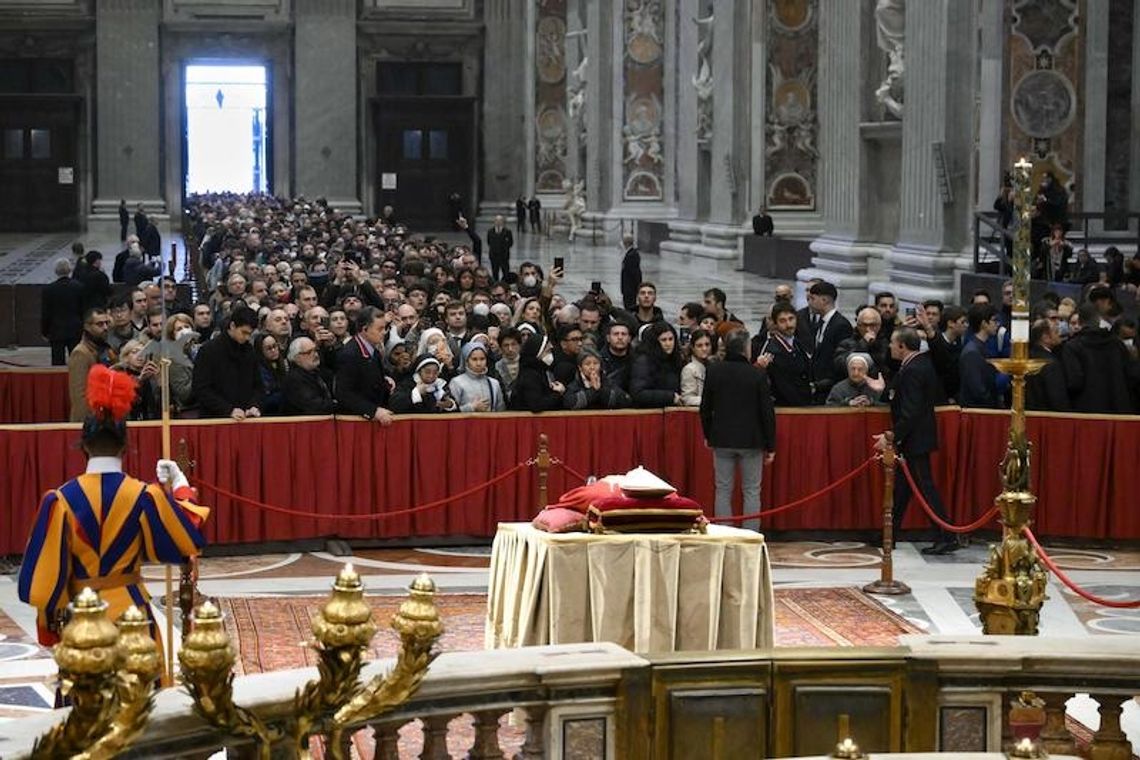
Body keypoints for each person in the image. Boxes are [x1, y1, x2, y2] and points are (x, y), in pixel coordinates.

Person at [18, 365, 208, 651]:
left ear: (83, 447)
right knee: (143, 693)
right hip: (134, 618)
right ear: (125, 446)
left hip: (81, 620)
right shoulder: (145, 495)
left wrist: (49, 630)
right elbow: (186, 540)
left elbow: (45, 584)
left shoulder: (59, 501)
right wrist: (180, 487)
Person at [875, 326, 958, 555]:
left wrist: (891, 436)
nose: (890, 346)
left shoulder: (913, 369)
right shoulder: (917, 364)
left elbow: (910, 411)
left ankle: (946, 535)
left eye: (892, 343)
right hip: (915, 438)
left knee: (924, 487)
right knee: (903, 488)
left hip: (916, 439)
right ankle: (889, 533)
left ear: (902, 346)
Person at [700, 329, 776, 532]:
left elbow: (705, 407)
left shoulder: (714, 370)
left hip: (721, 438)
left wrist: (707, 434)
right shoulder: (757, 374)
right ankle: (750, 535)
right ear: (746, 349)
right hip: (752, 440)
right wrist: (771, 445)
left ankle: (725, 533)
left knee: (723, 490)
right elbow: (766, 412)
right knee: (751, 490)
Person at [1062, 304, 1139, 414]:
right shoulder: (1117, 344)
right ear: (1099, 320)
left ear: (1080, 321)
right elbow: (1132, 376)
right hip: (1119, 409)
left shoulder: (1072, 347)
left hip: (1087, 412)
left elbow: (1075, 382)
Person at [190, 306, 263, 420]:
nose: (247, 337)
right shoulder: (209, 350)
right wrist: (228, 409)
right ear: (232, 326)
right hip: (215, 419)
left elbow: (258, 385)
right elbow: (201, 388)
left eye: (250, 333)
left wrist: (254, 405)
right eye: (244, 332)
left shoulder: (249, 351)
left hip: (246, 417)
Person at [335, 307, 396, 424]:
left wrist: (385, 381)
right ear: (365, 329)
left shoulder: (375, 351)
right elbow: (344, 394)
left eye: (385, 328)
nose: (384, 332)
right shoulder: (349, 354)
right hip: (355, 422)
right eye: (380, 329)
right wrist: (373, 411)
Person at [796, 280, 853, 402]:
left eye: (812, 298)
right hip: (818, 388)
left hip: (831, 389)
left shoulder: (840, 325)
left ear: (824, 300)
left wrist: (823, 384)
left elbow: (840, 361)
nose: (809, 302)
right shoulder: (820, 324)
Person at [757, 302, 813, 406]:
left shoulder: (798, 343)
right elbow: (782, 387)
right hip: (787, 409)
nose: (788, 325)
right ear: (775, 323)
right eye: (783, 321)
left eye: (791, 319)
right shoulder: (772, 351)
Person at [68, 308, 113, 421]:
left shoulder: (105, 349)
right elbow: (79, 396)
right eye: (100, 324)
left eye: (107, 323)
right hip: (90, 421)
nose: (105, 328)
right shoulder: (80, 353)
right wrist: (88, 424)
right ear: (87, 327)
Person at [42, 258, 87, 366]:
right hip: (75, 328)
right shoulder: (79, 287)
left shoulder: (49, 289)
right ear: (70, 270)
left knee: (57, 361)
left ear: (56, 271)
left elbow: (46, 313)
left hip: (56, 329)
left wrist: (44, 331)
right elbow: (83, 309)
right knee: (77, 360)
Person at [958, 303, 1003, 408]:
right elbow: (978, 391)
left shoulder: (980, 347)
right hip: (977, 414)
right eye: (994, 320)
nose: (997, 324)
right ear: (984, 323)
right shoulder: (972, 352)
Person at [630, 321, 683, 407]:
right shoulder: (643, 361)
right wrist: (670, 397)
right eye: (663, 340)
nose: (668, 344)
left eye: (671, 339)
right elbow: (638, 394)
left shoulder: (676, 359)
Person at [508, 333, 565, 412]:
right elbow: (536, 405)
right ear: (538, 353)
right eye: (548, 351)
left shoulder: (542, 370)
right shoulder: (530, 375)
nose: (551, 355)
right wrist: (558, 394)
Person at [563, 347, 631, 410]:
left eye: (595, 363)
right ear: (580, 368)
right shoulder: (575, 385)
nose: (592, 367)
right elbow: (570, 404)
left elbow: (626, 400)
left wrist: (601, 390)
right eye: (587, 364)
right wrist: (593, 391)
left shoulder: (607, 382)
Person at [283, 336, 336, 415]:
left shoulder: (318, 372)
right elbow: (313, 405)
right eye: (309, 352)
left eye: (315, 350)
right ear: (297, 358)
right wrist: (336, 404)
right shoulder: (294, 379)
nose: (315, 355)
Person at [448, 342, 505, 412]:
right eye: (474, 359)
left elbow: (501, 411)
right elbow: (452, 412)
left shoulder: (494, 383)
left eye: (482, 359)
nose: (479, 363)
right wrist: (471, 407)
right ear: (466, 361)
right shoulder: (456, 382)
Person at [390, 355, 457, 413]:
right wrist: (416, 392)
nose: (431, 376)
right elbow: (394, 405)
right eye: (427, 372)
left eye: (435, 372)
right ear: (419, 371)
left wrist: (449, 405)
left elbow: (456, 407)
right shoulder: (408, 384)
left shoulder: (441, 385)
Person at [680, 328, 714, 406]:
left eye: (707, 344)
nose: (704, 349)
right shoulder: (689, 369)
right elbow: (687, 399)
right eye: (699, 346)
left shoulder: (713, 365)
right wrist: (712, 400)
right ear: (692, 348)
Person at [486, 215, 514, 282]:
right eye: (497, 220)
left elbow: (511, 243)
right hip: (494, 255)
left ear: (502, 222)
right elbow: (489, 242)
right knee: (495, 272)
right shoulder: (490, 231)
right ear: (494, 222)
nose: (498, 222)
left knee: (505, 272)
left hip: (504, 256)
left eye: (500, 221)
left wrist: (505, 249)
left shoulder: (507, 231)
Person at [620, 233, 642, 311]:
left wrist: (637, 287)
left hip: (630, 289)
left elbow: (634, 273)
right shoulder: (630, 254)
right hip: (628, 288)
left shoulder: (632, 255)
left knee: (629, 307)